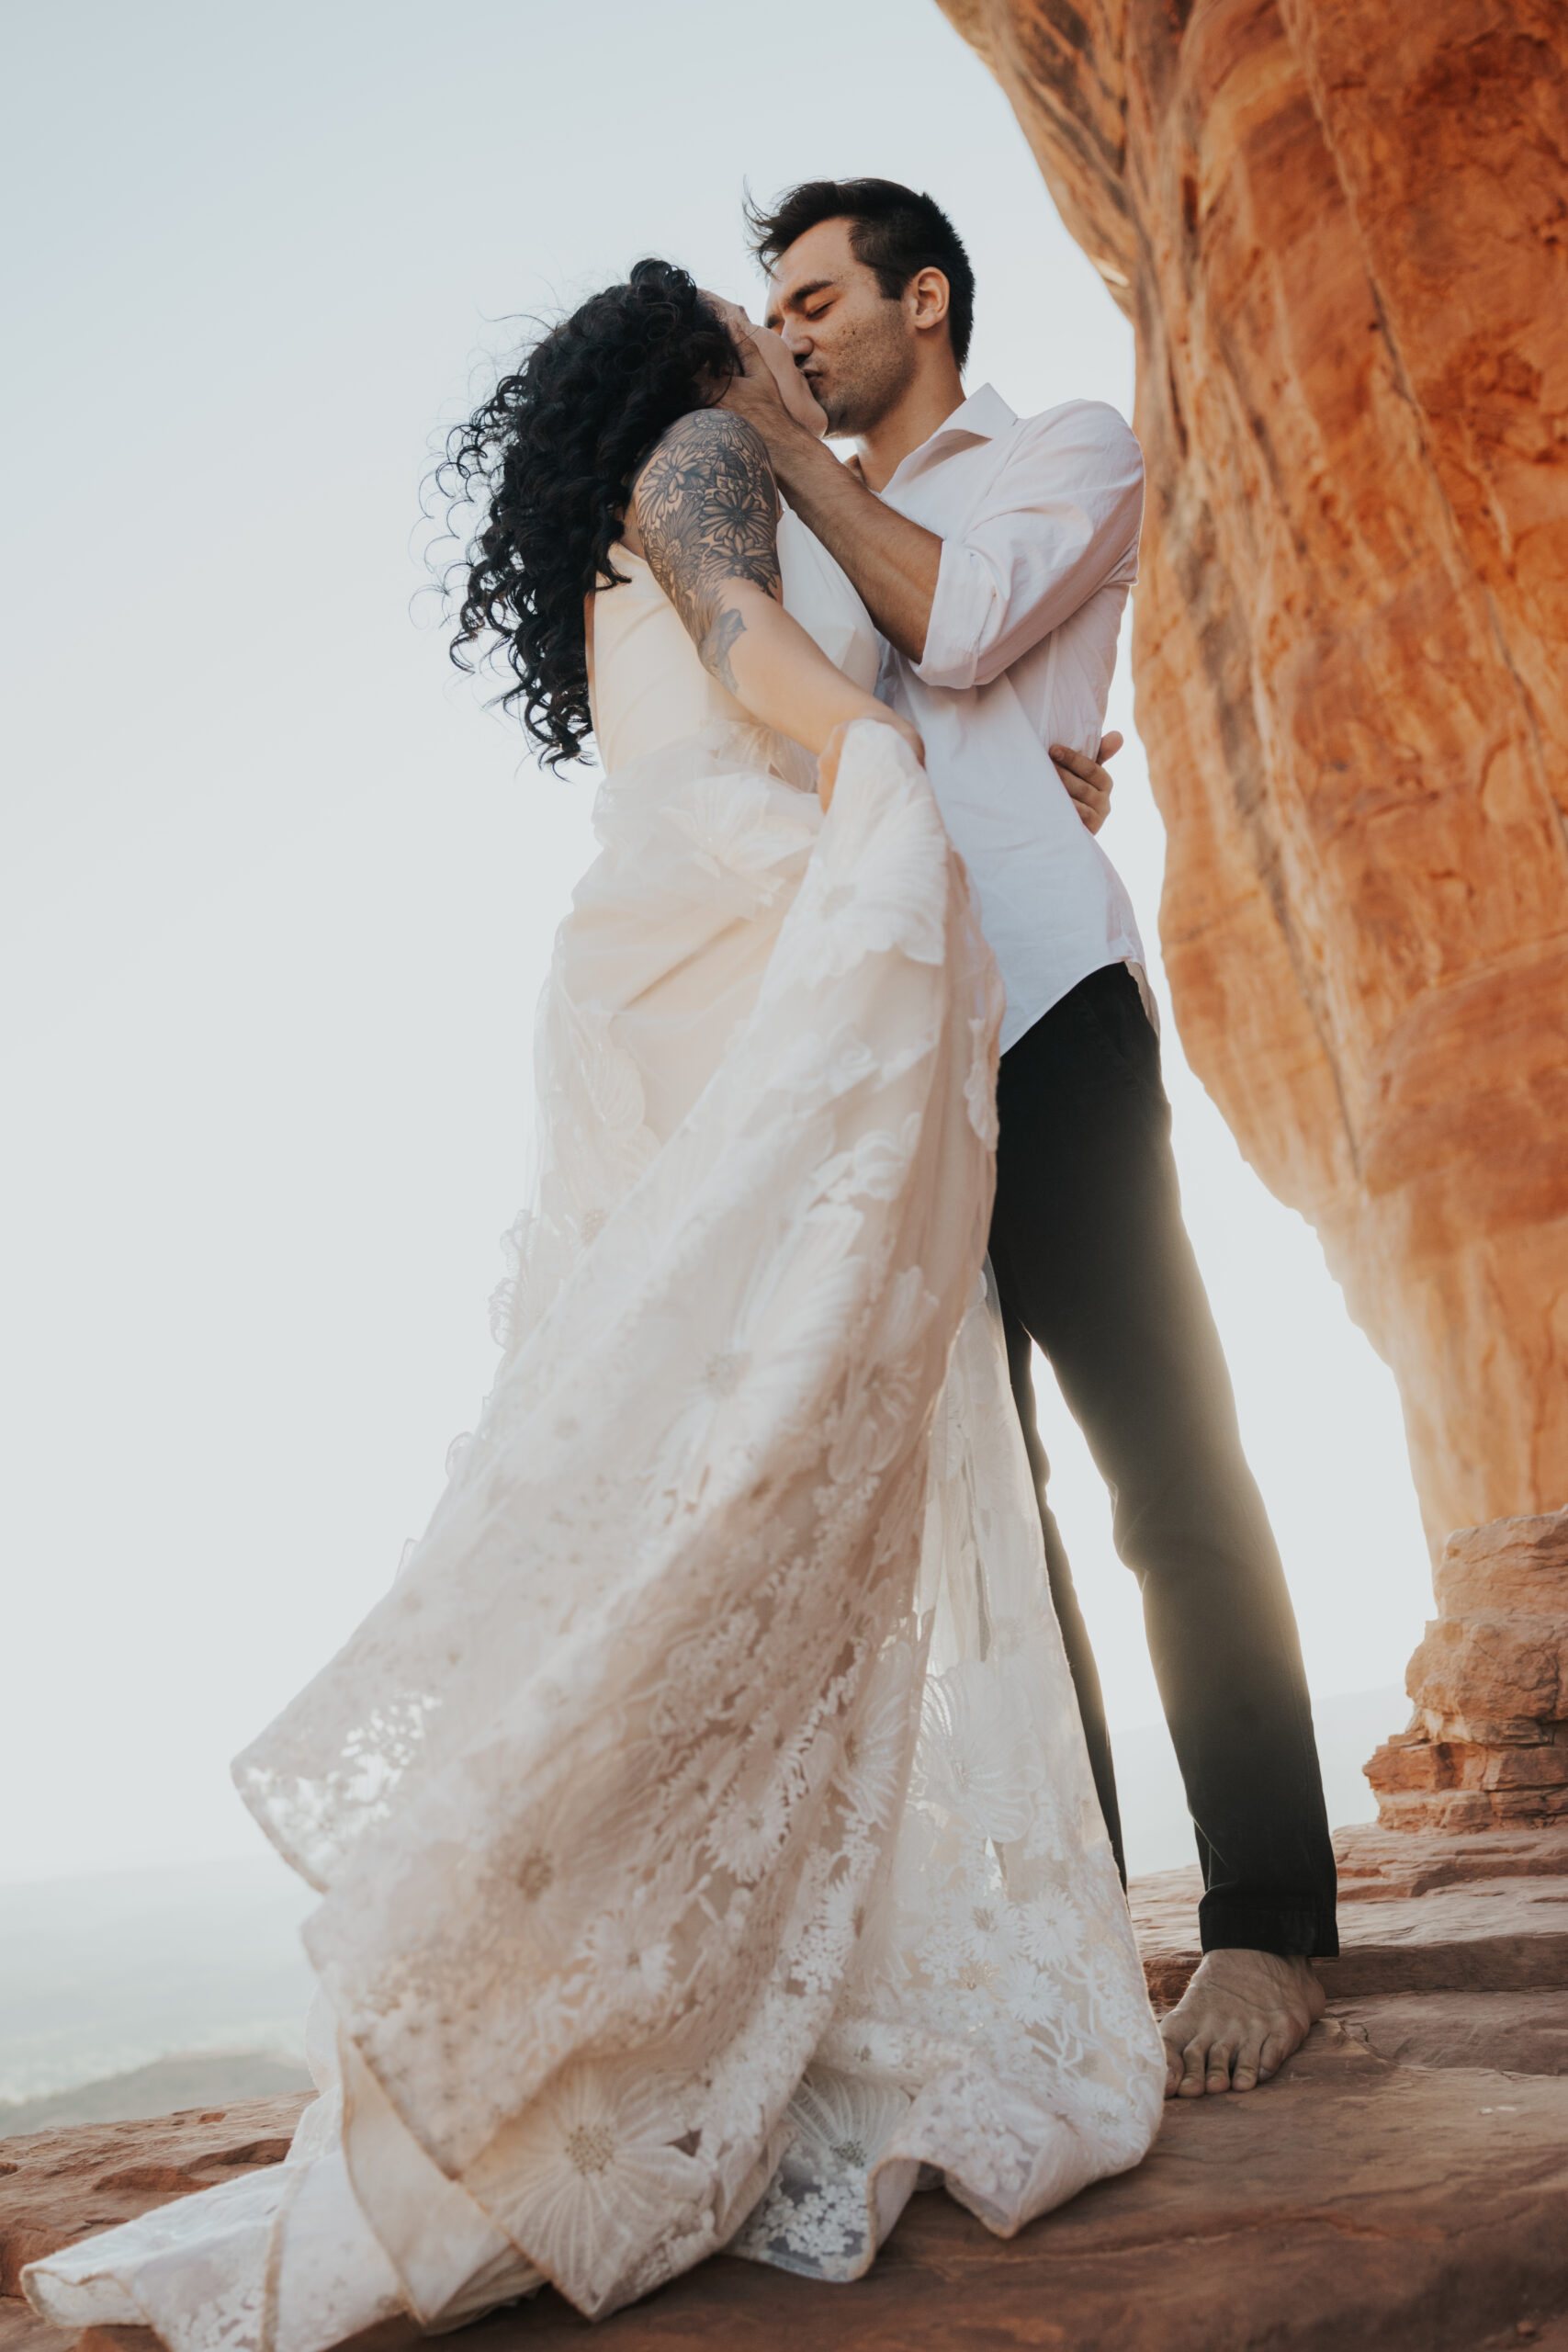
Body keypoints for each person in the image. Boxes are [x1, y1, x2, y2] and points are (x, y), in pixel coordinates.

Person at [25, 259, 1162, 2348]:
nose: (780, 334)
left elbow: (778, 660)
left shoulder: (657, 485)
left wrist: (976, 768)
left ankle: (667, 1976)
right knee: (757, 1476)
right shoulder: (712, 452)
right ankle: (590, 1970)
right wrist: (876, 791)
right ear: (699, 357)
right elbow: (753, 655)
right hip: (750, 945)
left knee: (710, 1466)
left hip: (670, 962)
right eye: (757, 310)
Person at [711, 177, 1338, 2103]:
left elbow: (967, 626)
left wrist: (779, 460)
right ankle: (1068, 1921)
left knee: (1164, 1463)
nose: (794, 338)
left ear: (924, 297)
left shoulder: (1061, 451)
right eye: (774, 315)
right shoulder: (809, 525)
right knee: (980, 1511)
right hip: (875, 1050)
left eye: (818, 301)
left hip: (1050, 1014)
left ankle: (1266, 1922)